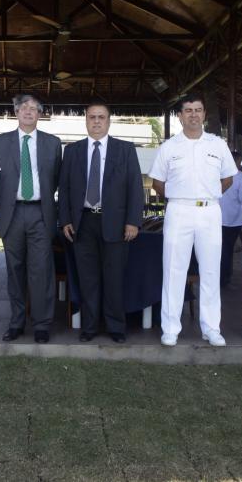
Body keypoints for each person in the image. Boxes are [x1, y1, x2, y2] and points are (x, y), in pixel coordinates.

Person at [150, 93, 236, 347]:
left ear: (204, 115)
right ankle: (170, 328)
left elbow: (228, 178)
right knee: (174, 270)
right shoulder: (169, 147)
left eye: (198, 110)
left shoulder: (217, 145)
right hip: (179, 210)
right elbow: (157, 183)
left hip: (209, 211)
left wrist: (208, 194)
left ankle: (211, 328)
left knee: (210, 271)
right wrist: (179, 196)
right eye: (188, 110)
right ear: (180, 116)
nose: (193, 115)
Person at [58, 101, 144, 343]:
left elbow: (135, 187)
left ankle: (116, 327)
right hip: (83, 223)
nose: (96, 121)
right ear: (86, 120)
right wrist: (65, 219)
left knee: (114, 278)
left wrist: (133, 221)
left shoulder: (125, 149)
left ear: (109, 121)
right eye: (92, 117)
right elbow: (64, 189)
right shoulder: (72, 151)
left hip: (116, 223)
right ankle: (90, 327)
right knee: (88, 279)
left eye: (101, 117)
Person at [0, 95, 62, 344]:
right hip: (11, 214)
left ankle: (42, 324)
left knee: (41, 271)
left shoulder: (53, 143)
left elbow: (56, 178)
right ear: (16, 112)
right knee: (15, 270)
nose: (28, 112)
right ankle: (17, 323)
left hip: (40, 213)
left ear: (40, 114)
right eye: (23, 108)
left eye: (34, 108)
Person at [218, 151, 242, 288]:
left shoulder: (217, 174)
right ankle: (225, 278)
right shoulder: (241, 177)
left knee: (219, 249)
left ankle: (219, 277)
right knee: (228, 249)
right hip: (233, 219)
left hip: (216, 218)